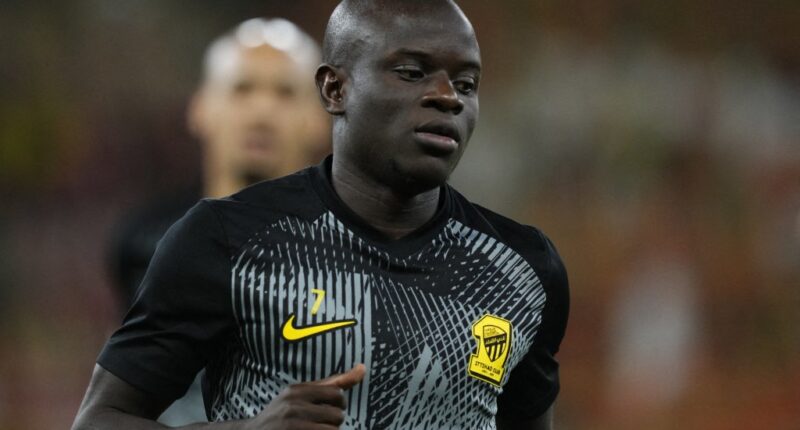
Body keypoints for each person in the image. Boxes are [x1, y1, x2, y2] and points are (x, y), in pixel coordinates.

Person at [74, 1, 569, 429]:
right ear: (335, 89)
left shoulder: (523, 270)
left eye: (466, 82)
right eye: (413, 72)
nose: (447, 96)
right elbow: (99, 420)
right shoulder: (225, 239)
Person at [105, 17, 330, 425]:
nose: (262, 111)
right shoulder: (143, 242)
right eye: (242, 88)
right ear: (201, 107)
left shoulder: (354, 246)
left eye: (285, 92)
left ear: (321, 118)